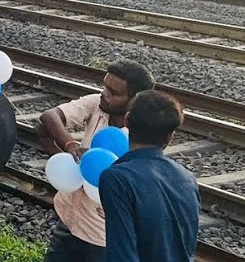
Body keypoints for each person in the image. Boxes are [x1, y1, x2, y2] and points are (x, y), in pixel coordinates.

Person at [37, 59, 156, 262]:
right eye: (105, 86)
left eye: (113, 92)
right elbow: (49, 116)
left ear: (134, 99)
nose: (104, 93)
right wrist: (69, 146)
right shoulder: (97, 105)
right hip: (70, 219)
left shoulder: (140, 135)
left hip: (102, 236)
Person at [100, 90, 199, 262]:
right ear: (170, 136)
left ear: (127, 120)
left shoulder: (117, 178)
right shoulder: (187, 178)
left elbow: (122, 253)